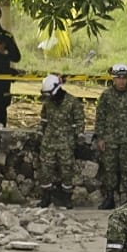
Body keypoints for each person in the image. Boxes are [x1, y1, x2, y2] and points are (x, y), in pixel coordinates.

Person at [94, 64, 127, 210]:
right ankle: (109, 198)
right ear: (113, 79)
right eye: (119, 78)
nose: (121, 81)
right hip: (110, 140)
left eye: (124, 78)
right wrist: (100, 137)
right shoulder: (106, 96)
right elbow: (100, 117)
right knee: (109, 169)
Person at [36, 73, 85, 208]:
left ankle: (66, 198)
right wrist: (40, 134)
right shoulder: (47, 102)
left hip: (66, 142)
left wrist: (79, 137)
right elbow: (44, 119)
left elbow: (79, 121)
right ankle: (46, 197)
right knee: (46, 170)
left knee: (66, 171)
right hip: (49, 142)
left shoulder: (72, 102)